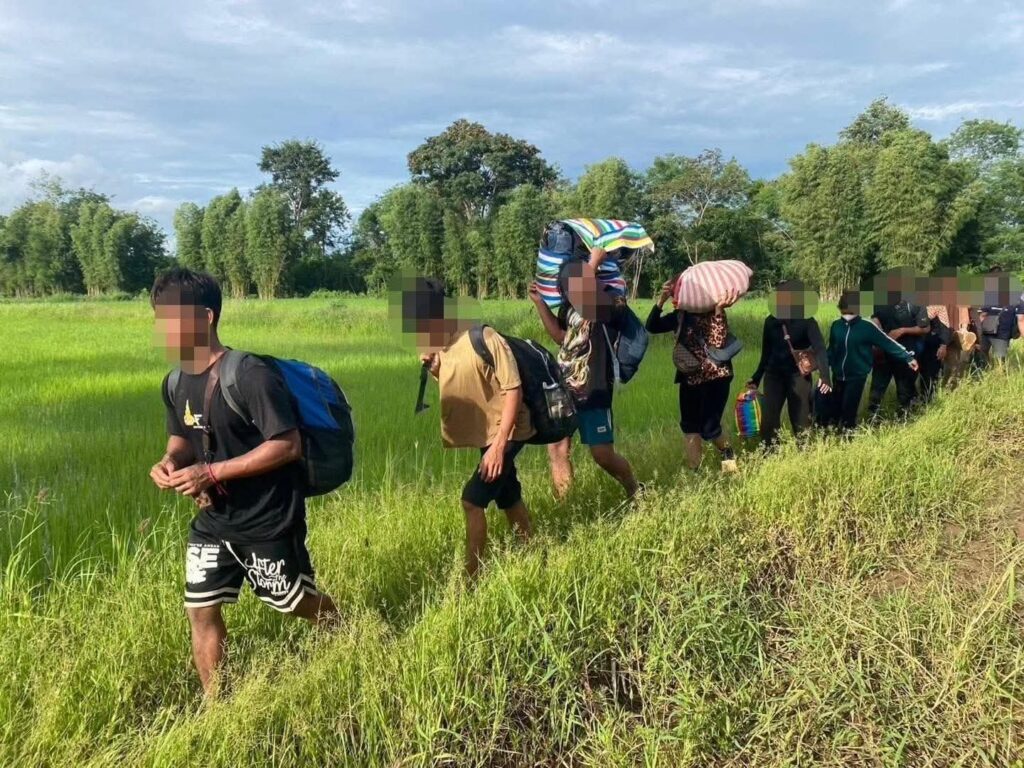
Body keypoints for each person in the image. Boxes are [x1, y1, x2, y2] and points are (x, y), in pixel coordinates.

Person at [150, 268, 338, 695]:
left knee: (295, 603)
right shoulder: (175, 381)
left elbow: (287, 445)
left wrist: (210, 472)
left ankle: (347, 629)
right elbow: (182, 437)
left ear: (205, 317)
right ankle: (217, 707)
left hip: (267, 518)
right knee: (201, 611)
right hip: (213, 519)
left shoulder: (249, 374)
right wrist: (168, 462)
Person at [405, 277, 535, 580]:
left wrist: (498, 448)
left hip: (509, 430)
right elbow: (459, 385)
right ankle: (531, 551)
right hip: (486, 433)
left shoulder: (484, 337)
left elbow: (513, 389)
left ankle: (471, 579)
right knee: (508, 495)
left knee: (472, 501)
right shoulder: (440, 346)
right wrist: (435, 369)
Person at [529, 251, 640, 501]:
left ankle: (635, 489)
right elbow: (561, 337)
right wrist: (540, 303)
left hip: (593, 389)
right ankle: (567, 505)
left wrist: (593, 263)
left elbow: (588, 302)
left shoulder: (611, 301)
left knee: (602, 455)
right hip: (561, 385)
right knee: (557, 448)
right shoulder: (569, 306)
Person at [645, 279, 739, 471]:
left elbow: (718, 342)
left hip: (716, 379)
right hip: (689, 378)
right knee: (689, 426)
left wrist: (719, 309)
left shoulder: (715, 312)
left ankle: (729, 460)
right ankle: (695, 472)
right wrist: (661, 300)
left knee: (710, 429)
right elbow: (652, 326)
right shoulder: (680, 316)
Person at [745, 281, 832, 448]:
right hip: (773, 376)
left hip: (798, 376)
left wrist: (825, 376)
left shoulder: (807, 321)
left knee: (801, 419)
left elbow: (820, 349)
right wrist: (756, 378)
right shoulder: (770, 322)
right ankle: (770, 453)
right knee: (768, 420)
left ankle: (804, 451)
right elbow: (766, 353)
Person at [823, 291, 920, 432]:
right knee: (836, 408)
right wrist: (820, 364)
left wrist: (907, 357)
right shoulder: (836, 326)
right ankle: (835, 433)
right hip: (837, 375)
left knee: (849, 410)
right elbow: (832, 350)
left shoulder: (867, 327)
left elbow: (887, 343)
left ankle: (848, 435)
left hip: (857, 376)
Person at [868, 271, 930, 418]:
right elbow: (876, 318)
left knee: (905, 391)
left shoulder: (915, 302)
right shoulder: (880, 301)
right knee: (877, 389)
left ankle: (905, 418)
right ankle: (872, 419)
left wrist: (902, 331)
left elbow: (925, 328)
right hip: (883, 353)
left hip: (906, 353)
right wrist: (876, 327)